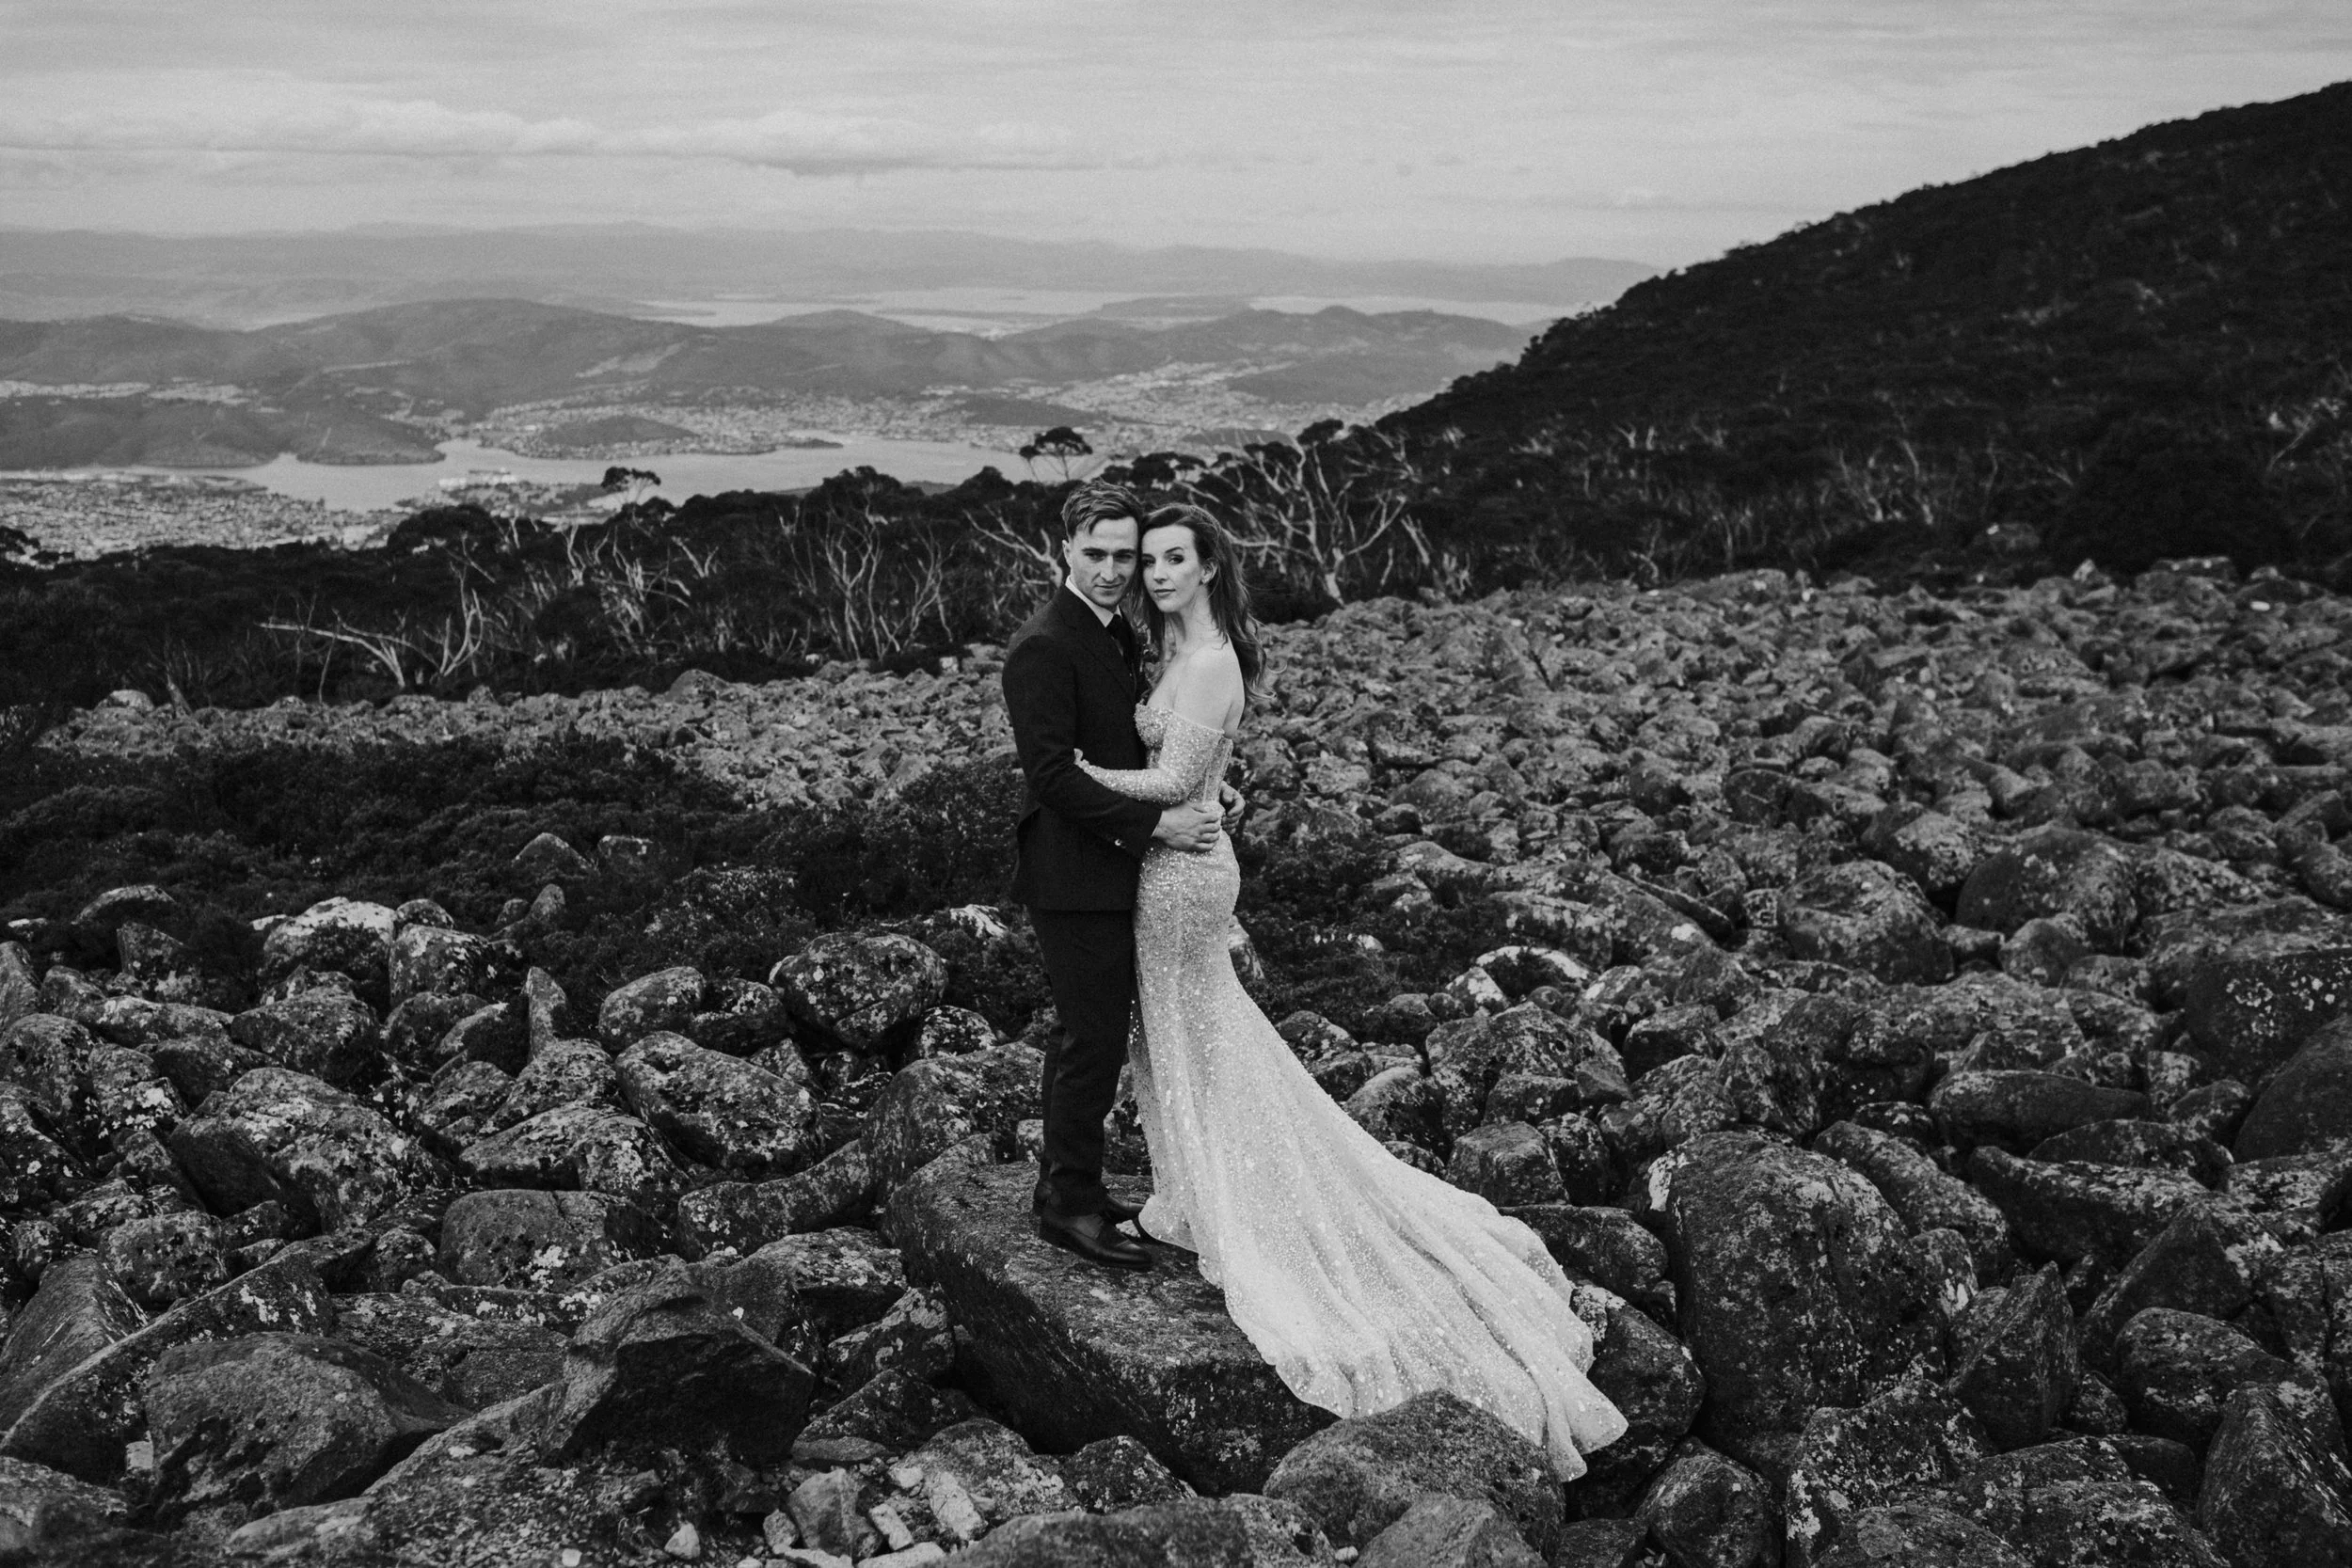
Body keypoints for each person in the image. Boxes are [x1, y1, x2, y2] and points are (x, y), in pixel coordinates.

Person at [1072, 502, 1629, 1479]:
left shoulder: (1210, 660)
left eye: (1172, 559)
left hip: (1181, 876)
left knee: (1196, 1029)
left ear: (1208, 568)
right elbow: (1202, 770)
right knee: (1178, 1031)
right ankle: (1189, 1186)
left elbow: (1172, 783)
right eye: (1147, 559)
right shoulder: (1175, 646)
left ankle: (1217, 1196)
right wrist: (1205, 785)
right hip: (1173, 865)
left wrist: (1080, 776)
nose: (1154, 573)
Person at [1001, 480, 1225, 1272]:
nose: (1110, 570)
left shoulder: (1119, 631)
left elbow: (1131, 748)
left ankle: (1073, 1189)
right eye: (1094, 553)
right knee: (1090, 1039)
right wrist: (1159, 824)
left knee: (1092, 1036)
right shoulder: (1042, 645)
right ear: (1065, 547)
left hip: (1115, 865)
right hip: (1071, 874)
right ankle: (1067, 1206)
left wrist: (1203, 784)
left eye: (1124, 556)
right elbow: (1052, 776)